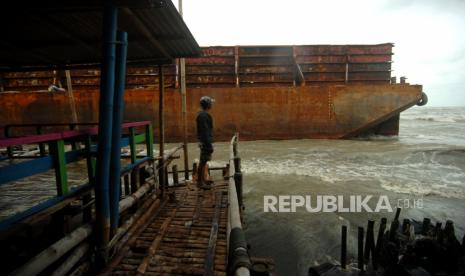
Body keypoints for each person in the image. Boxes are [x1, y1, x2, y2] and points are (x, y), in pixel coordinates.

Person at [196, 96, 215, 188]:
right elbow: (205, 131)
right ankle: (200, 182)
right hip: (205, 142)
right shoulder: (204, 116)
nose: (212, 104)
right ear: (208, 105)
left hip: (203, 141)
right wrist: (208, 144)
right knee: (202, 162)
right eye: (210, 103)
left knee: (203, 161)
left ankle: (203, 180)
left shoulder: (202, 115)